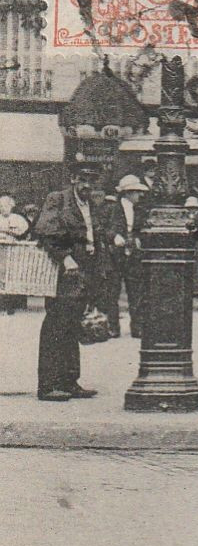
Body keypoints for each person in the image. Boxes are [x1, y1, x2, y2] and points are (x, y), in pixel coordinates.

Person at [32, 163, 104, 401]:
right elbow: (45, 232)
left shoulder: (92, 204)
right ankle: (48, 385)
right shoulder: (58, 199)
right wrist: (65, 258)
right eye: (84, 179)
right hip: (64, 273)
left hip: (85, 272)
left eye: (92, 181)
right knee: (56, 324)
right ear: (73, 178)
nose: (88, 185)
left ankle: (70, 380)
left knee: (73, 324)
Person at [98, 174, 148, 337]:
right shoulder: (111, 209)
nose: (140, 195)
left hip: (133, 256)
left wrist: (139, 238)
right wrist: (113, 237)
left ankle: (137, 327)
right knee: (112, 293)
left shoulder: (140, 210)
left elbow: (143, 229)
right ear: (127, 192)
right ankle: (113, 327)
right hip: (114, 256)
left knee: (136, 292)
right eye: (136, 192)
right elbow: (100, 229)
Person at [0, 194, 30, 313]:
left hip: (13, 252)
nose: (2, 208)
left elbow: (21, 231)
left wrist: (7, 231)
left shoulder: (17, 218)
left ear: (10, 206)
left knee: (12, 276)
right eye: (0, 206)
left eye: (4, 206)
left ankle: (13, 304)